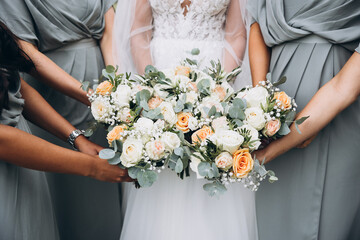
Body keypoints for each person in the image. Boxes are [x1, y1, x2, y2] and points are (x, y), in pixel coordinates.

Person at [113, 1, 257, 240]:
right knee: (163, 159)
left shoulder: (217, 89)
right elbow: (139, 32)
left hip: (214, 77)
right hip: (160, 77)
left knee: (211, 158)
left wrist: (218, 90)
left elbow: (236, 35)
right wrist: (153, 90)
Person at [0, 1, 122, 239]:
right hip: (19, 144)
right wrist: (92, 168)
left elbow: (18, 87)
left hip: (26, 137)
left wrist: (77, 138)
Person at [248, 0, 360, 239]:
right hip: (275, 96)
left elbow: (344, 89)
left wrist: (271, 151)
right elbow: (256, 21)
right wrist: (262, 108)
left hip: (336, 107)